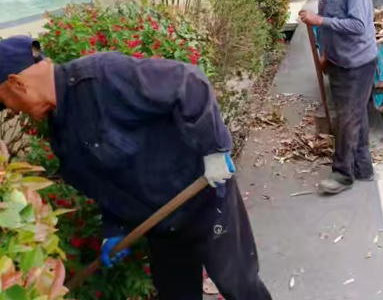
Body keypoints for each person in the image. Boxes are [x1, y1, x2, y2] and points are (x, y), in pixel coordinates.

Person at [0, 36, 272, 300]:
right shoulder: (61, 134)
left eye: (5, 102)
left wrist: (214, 149)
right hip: (161, 226)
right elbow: (106, 185)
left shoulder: (103, 75)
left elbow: (189, 82)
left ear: (17, 83)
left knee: (240, 287)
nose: (12, 111)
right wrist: (114, 229)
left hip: (204, 199)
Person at [299, 0, 378, 195]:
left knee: (346, 118)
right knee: (355, 115)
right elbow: (329, 22)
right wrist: (325, 53)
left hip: (357, 63)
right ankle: (363, 167)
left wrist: (319, 21)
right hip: (337, 59)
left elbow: (358, 25)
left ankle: (343, 174)